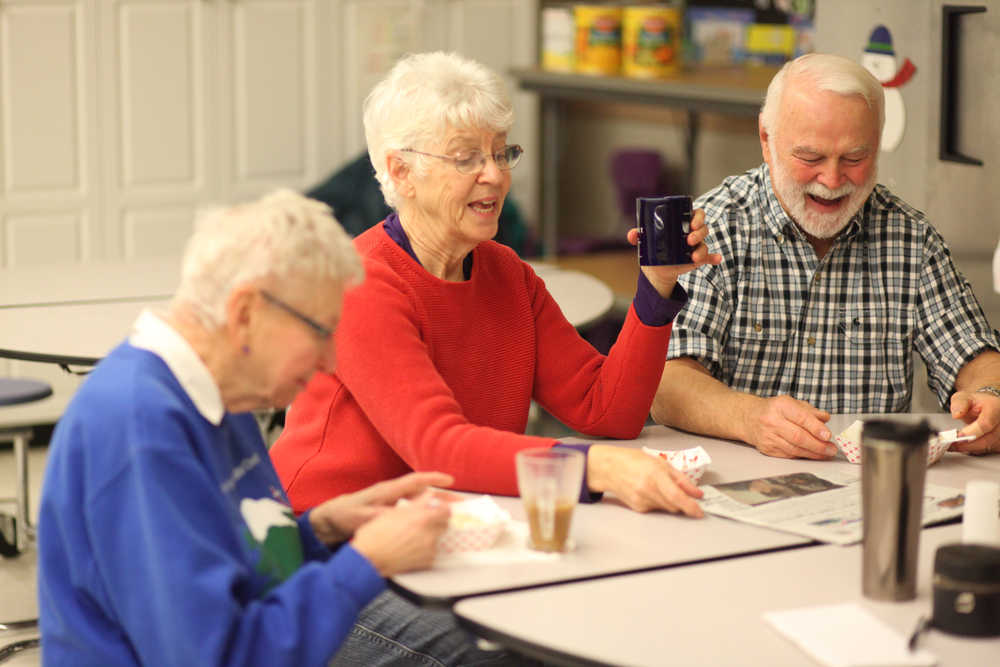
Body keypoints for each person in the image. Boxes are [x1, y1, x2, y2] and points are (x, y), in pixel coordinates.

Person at [37, 190, 514, 666]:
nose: (330, 359)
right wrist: (365, 562)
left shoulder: (226, 390)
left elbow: (235, 566)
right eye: (320, 332)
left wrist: (322, 530)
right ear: (245, 314)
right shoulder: (138, 428)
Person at [270, 50, 721, 519]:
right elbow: (438, 449)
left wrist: (656, 286)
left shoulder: (507, 273)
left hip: (450, 522)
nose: (495, 175)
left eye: (500, 152)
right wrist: (595, 467)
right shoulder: (360, 281)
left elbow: (606, 410)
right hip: (325, 536)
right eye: (467, 158)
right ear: (401, 171)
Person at [651, 53, 1000, 459]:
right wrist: (749, 418)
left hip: (868, 491)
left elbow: (973, 353)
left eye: (855, 158)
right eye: (811, 157)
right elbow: (667, 384)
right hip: (732, 482)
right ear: (767, 140)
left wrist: (988, 395)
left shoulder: (910, 239)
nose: (832, 181)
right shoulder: (717, 229)